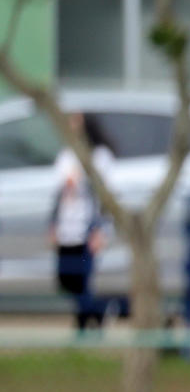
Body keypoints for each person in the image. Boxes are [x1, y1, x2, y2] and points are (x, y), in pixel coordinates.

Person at [48, 111, 113, 332]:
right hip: (67, 228)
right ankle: (102, 310)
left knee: (84, 279)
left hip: (87, 228)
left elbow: (106, 197)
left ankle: (83, 327)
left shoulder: (100, 156)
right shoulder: (66, 156)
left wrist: (101, 230)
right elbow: (59, 193)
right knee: (66, 278)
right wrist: (53, 225)